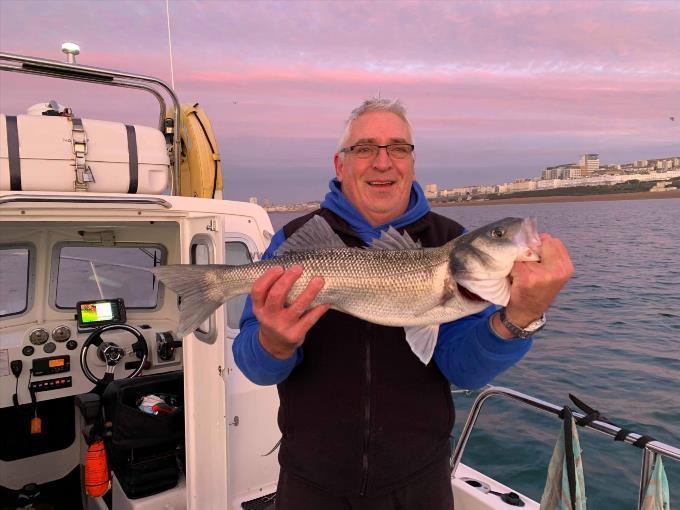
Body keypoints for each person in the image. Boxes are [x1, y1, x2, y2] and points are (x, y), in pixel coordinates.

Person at [233, 98, 573, 510]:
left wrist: (520, 317)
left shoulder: (451, 241)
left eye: (398, 148)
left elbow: (463, 370)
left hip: (419, 482)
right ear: (340, 164)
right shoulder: (296, 240)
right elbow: (254, 365)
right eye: (364, 149)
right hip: (311, 480)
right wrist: (275, 343)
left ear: (411, 163)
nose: (382, 162)